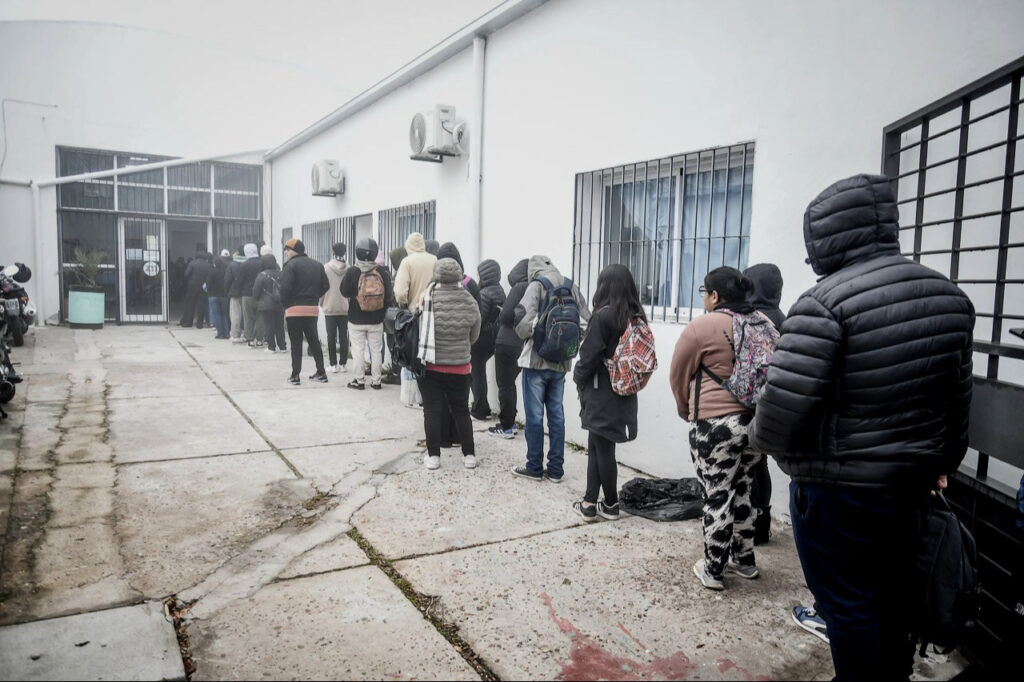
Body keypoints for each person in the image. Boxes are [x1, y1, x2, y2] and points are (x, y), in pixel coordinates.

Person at [749, 174, 974, 682]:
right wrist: (940, 464)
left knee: (847, 607)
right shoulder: (950, 298)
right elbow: (958, 403)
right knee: (895, 601)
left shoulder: (823, 303)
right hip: (911, 488)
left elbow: (778, 415)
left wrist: (768, 445)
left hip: (838, 493)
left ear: (827, 237)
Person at [669, 266, 763, 591]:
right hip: (755, 424)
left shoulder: (703, 326)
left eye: (704, 293)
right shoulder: (762, 323)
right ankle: (745, 561)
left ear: (714, 295)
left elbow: (678, 374)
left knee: (717, 493)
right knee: (744, 490)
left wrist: (686, 411)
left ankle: (712, 569)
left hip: (715, 426)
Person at [572, 264, 644, 522]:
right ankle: (590, 503)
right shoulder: (635, 317)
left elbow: (588, 357)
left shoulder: (602, 316)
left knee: (602, 449)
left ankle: (610, 504)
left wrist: (578, 377)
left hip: (601, 390)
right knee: (598, 445)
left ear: (604, 286)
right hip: (623, 390)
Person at [510, 255, 590, 483]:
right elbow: (587, 321)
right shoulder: (570, 285)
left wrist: (537, 335)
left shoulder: (537, 286)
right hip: (561, 363)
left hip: (536, 361)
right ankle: (556, 470)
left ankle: (534, 468)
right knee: (556, 415)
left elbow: (521, 322)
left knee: (535, 417)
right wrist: (568, 342)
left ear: (532, 270)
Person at [419, 257, 482, 470]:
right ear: (458, 276)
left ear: (437, 275)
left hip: (432, 366)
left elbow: (420, 330)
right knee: (462, 410)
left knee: (432, 411)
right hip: (460, 367)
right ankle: (469, 455)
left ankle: (434, 457)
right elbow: (474, 336)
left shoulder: (427, 299)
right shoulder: (469, 301)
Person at [741, 262, 785, 546]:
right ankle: (763, 524)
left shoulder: (753, 320)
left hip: (751, 400)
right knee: (762, 462)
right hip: (776, 400)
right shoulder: (784, 319)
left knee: (749, 464)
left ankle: (750, 526)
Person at [341, 238, 393, 390]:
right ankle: (376, 381)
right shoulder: (382, 272)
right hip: (376, 319)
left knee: (358, 350)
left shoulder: (353, 271)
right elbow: (389, 296)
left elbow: (344, 291)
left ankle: (359, 380)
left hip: (356, 319)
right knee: (376, 350)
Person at [279, 239, 330, 384]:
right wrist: (314, 297)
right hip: (312, 309)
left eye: (287, 250)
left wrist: (285, 304)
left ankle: (295, 375)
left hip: (294, 309)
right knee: (314, 341)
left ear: (293, 251)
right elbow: (326, 285)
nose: (285, 253)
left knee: (296, 343)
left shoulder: (290, 266)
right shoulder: (317, 265)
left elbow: (285, 288)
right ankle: (321, 372)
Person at [489, 258, 529, 439]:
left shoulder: (519, 287)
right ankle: (510, 422)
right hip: (523, 343)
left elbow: (506, 316)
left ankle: (506, 426)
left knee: (504, 385)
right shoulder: (537, 288)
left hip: (506, 342)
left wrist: (503, 310)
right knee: (510, 383)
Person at [470, 259, 506, 420]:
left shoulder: (484, 294)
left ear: (485, 275)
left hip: (481, 339)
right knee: (479, 371)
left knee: (476, 373)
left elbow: (480, 319)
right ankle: (482, 407)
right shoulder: (499, 290)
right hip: (492, 339)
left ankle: (480, 409)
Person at [321, 243, 349, 373]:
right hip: (344, 307)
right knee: (344, 336)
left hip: (330, 306)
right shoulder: (348, 268)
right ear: (344, 252)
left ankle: (333, 364)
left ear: (333, 251)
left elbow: (323, 287)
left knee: (330, 336)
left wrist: (321, 302)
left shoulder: (326, 268)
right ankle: (343, 364)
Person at [394, 232, 437, 313]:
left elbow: (400, 293)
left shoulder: (406, 262)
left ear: (408, 246)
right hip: (432, 311)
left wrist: (403, 305)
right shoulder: (435, 259)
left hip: (414, 312)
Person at [253, 252, 286, 353]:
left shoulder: (261, 275)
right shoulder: (282, 274)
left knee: (269, 325)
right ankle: (282, 346)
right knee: (280, 325)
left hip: (266, 304)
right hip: (280, 303)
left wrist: (257, 299)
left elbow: (256, 292)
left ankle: (271, 347)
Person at [238, 243, 264, 347]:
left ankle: (249, 338)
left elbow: (240, 280)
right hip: (261, 294)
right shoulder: (262, 262)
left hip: (247, 294)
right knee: (260, 317)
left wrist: (240, 291)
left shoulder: (244, 265)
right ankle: (260, 338)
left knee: (248, 317)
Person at [180, 251, 210, 328]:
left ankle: (188, 322)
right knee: (201, 305)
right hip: (203, 287)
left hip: (192, 286)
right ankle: (199, 324)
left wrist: (190, 280)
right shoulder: (207, 265)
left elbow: (186, 274)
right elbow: (209, 276)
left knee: (190, 304)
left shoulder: (192, 263)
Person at [206, 250, 231, 339]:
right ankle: (227, 333)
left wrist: (208, 291)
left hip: (213, 295)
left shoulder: (212, 271)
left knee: (216, 315)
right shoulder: (225, 271)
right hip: (224, 295)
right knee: (224, 314)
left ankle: (220, 333)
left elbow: (208, 283)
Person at [225, 247, 246, 343]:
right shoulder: (247, 263)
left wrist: (228, 291)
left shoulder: (232, 265)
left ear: (237, 253)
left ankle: (235, 334)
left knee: (235, 314)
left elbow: (227, 280)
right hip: (246, 293)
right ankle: (246, 333)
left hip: (235, 293)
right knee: (246, 315)